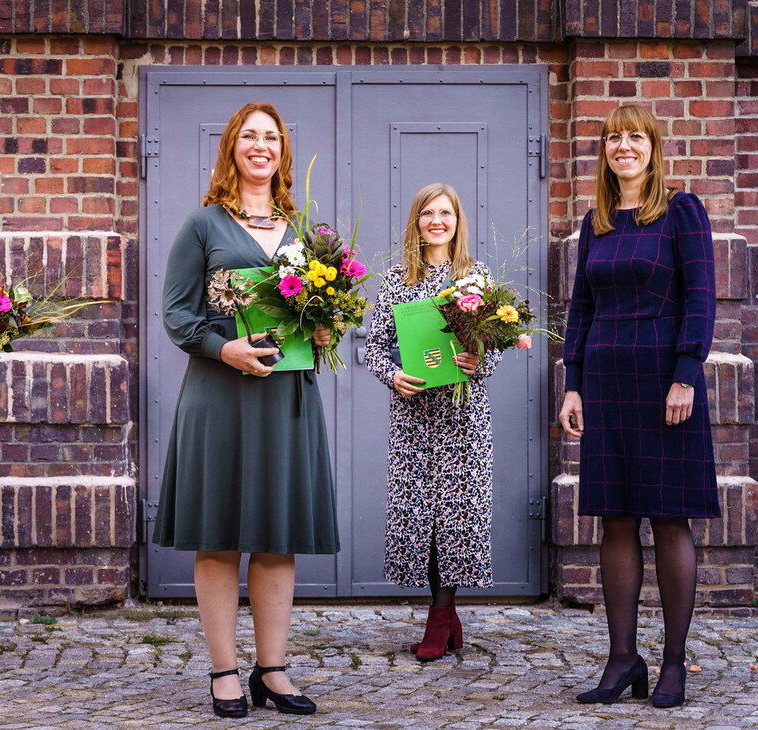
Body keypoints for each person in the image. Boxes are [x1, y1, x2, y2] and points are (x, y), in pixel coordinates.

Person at [153, 102, 339, 718]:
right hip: (220, 394)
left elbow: (323, 316)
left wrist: (323, 330)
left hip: (285, 396)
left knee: (276, 536)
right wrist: (223, 347)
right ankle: (224, 672)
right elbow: (177, 314)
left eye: (272, 138)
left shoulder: (306, 231)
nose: (261, 146)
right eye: (250, 137)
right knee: (219, 536)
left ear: (282, 152)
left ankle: (274, 670)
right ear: (232, 147)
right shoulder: (203, 226)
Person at [559, 105, 719, 708]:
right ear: (604, 151)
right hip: (605, 381)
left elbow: (701, 296)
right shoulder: (594, 220)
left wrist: (686, 373)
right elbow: (580, 309)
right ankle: (622, 660)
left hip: (662, 384)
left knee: (668, 517)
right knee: (616, 518)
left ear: (652, 147)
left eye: (634, 137)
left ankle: (674, 663)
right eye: (612, 139)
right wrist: (572, 383)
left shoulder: (681, 211)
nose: (622, 147)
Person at [365, 183, 500, 662]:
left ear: (458, 221)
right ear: (416, 222)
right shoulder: (396, 279)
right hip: (413, 419)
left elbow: (495, 346)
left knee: (457, 519)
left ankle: (439, 619)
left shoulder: (475, 276)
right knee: (419, 518)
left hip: (463, 418)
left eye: (446, 213)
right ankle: (448, 616)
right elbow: (374, 346)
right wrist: (393, 374)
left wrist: (476, 360)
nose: (436, 221)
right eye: (427, 213)